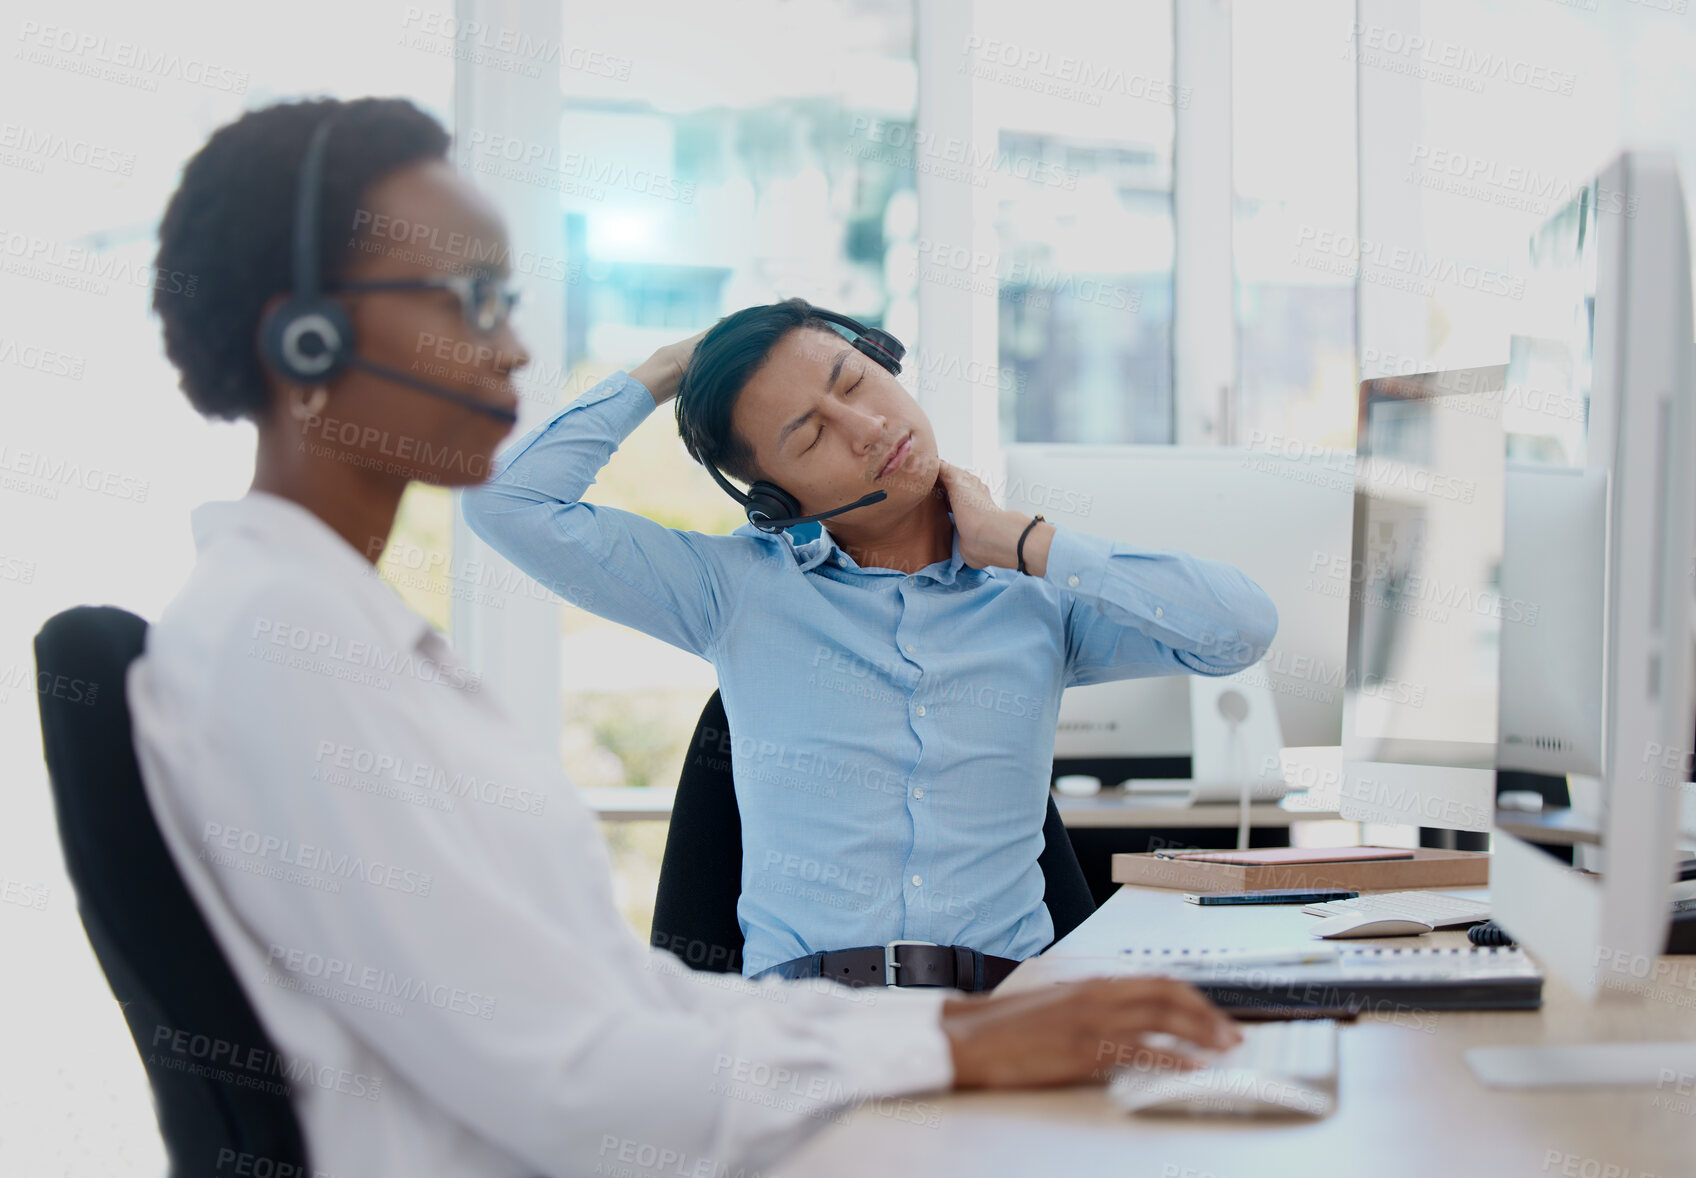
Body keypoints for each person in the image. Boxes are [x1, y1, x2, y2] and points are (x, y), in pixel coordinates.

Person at [128, 95, 1240, 1178]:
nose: (514, 349)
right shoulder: (283, 653)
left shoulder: (337, 634)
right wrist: (948, 1044)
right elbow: (557, 1075)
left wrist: (958, 1036)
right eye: (467, 298)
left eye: (505, 297)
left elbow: (612, 1001)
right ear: (309, 338)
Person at [463, 299, 1280, 986]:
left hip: (1014, 1024)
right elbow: (508, 504)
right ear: (778, 499)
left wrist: (1024, 540)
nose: (866, 426)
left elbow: (1239, 629)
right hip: (812, 1032)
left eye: (855, 381)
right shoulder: (731, 590)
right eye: (810, 436)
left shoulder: (1034, 595)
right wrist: (675, 364)